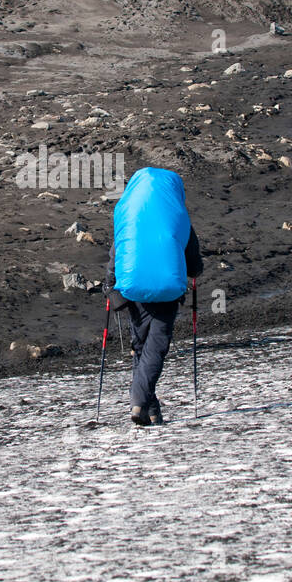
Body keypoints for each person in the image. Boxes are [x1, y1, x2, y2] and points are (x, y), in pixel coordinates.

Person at [105, 168, 203, 427]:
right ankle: (138, 400)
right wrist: (193, 270)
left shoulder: (130, 216)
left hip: (134, 290)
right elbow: (193, 263)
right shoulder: (177, 216)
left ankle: (151, 410)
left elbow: (118, 251)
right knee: (156, 348)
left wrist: (110, 284)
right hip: (167, 293)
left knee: (142, 347)